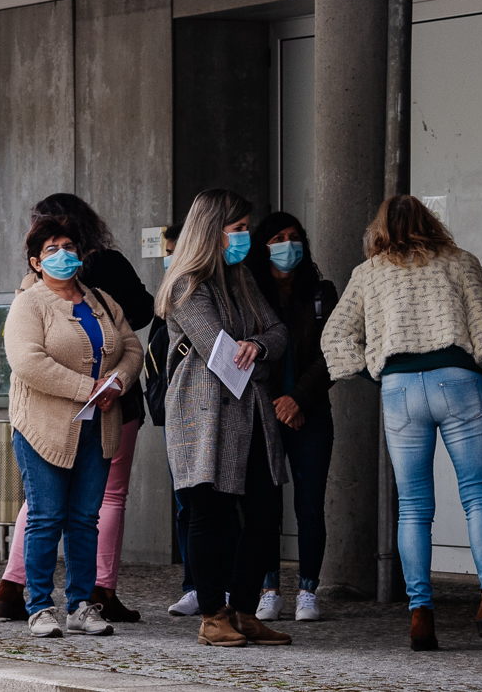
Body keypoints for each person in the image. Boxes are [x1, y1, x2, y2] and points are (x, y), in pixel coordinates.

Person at [321, 195, 482, 654]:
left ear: (380, 229)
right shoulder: (461, 261)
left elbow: (334, 336)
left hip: (399, 390)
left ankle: (421, 615)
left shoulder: (368, 273)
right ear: (430, 222)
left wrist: (376, 371)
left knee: (414, 507)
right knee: (477, 495)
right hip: (459, 381)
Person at [0, 194, 154, 623]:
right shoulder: (29, 303)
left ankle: (83, 604)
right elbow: (28, 361)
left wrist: (117, 383)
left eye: (69, 248)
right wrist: (90, 387)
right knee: (46, 518)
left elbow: (132, 346)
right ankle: (39, 606)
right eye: (51, 250)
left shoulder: (101, 299)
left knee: (85, 518)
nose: (62, 256)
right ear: (34, 261)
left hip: (98, 425)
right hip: (43, 428)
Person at [158, 188, 293, 648]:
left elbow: (279, 332)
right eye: (237, 229)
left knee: (264, 511)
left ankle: (244, 611)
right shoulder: (185, 284)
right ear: (212, 230)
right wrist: (255, 352)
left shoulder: (242, 278)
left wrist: (258, 345)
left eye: (245, 229)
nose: (245, 237)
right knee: (208, 512)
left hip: (251, 412)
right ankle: (212, 613)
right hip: (204, 413)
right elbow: (215, 347)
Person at [243, 212, 337, 623]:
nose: (288, 244)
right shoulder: (249, 294)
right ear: (263, 245)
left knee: (309, 503)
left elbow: (332, 353)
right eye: (278, 237)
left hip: (310, 411)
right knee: (265, 505)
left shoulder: (321, 292)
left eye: (295, 237)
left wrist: (297, 399)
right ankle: (268, 588)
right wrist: (279, 403)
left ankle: (308, 590)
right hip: (264, 411)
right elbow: (244, 353)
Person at [154, 222, 204, 619]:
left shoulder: (202, 288)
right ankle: (195, 584)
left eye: (174, 248)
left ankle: (219, 585)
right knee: (186, 505)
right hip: (180, 414)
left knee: (215, 506)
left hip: (214, 409)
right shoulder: (169, 295)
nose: (169, 257)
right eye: (165, 250)